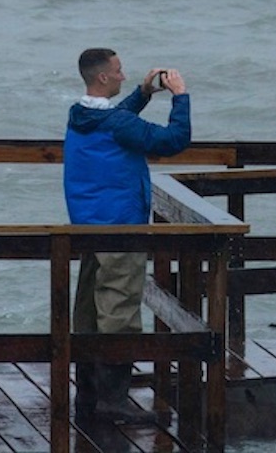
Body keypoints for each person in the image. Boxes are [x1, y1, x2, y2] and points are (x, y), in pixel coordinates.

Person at [62, 47, 192, 424]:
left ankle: (88, 396)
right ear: (102, 77)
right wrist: (180, 96)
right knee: (119, 312)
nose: (122, 75)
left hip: (89, 226)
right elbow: (172, 141)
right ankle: (113, 402)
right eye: (118, 72)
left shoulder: (80, 115)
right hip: (121, 227)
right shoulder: (117, 126)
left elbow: (116, 120)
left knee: (88, 312)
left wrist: (144, 93)